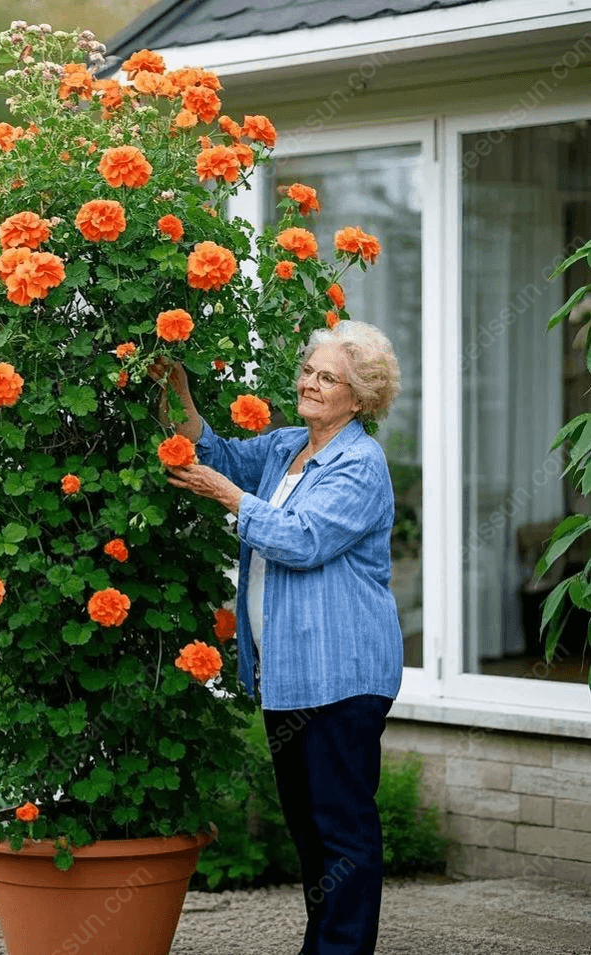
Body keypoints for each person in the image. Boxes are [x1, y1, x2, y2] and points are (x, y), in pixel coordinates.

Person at [153, 320, 403, 955]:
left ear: (361, 396)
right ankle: (322, 946)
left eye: (329, 378)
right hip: (288, 674)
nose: (311, 384)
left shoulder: (360, 463)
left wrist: (231, 498)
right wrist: (179, 394)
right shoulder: (290, 446)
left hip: (343, 674)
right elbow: (217, 453)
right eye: (309, 371)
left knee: (342, 828)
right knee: (309, 829)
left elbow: (301, 539)